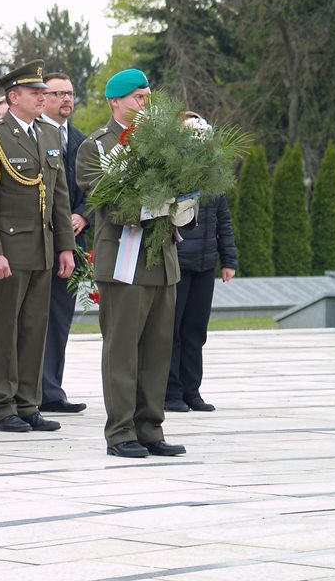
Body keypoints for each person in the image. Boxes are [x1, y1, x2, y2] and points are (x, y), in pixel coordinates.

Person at [75, 68, 192, 458]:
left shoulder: (162, 141)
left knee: (159, 348)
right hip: (124, 260)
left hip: (161, 259)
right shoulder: (98, 146)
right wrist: (150, 204)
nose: (145, 102)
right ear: (115, 101)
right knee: (122, 349)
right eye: (138, 96)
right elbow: (105, 200)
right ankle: (121, 431)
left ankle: (150, 427)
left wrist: (182, 202)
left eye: (147, 96)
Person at [0, 60, 75, 434]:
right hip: (9, 249)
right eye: (35, 93)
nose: (42, 98)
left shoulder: (47, 135)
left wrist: (65, 246)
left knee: (33, 328)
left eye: (44, 92)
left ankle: (28, 403)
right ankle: (2, 405)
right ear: (14, 97)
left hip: (43, 247)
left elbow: (59, 195)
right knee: (4, 328)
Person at [166, 113, 237, 414]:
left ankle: (192, 391)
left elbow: (223, 220)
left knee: (196, 330)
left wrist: (228, 259)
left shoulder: (213, 175)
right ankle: (170, 393)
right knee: (173, 330)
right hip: (178, 262)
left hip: (205, 264)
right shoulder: (171, 172)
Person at [38, 72, 90, 414]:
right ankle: (26, 388)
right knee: (32, 318)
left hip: (72, 240)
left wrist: (84, 215)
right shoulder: (32, 135)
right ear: (43, 98)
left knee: (59, 317)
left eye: (70, 93)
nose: (66, 99)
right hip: (36, 239)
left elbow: (97, 187)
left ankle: (51, 390)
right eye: (58, 93)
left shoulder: (85, 141)